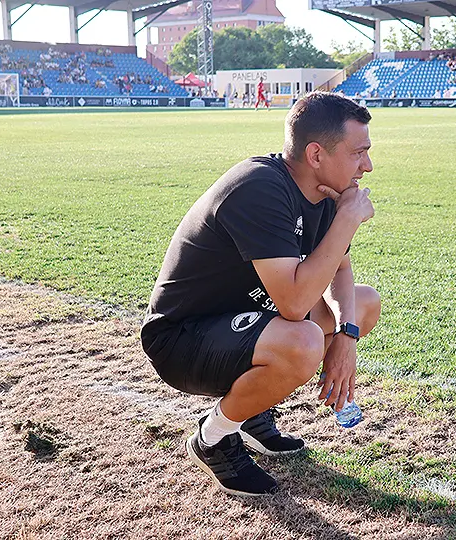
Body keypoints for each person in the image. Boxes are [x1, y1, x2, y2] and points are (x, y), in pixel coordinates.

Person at [141, 92, 380, 496]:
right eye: (359, 153)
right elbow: (295, 303)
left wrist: (348, 335)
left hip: (246, 321)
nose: (368, 166)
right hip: (183, 338)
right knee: (301, 340)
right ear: (317, 154)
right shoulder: (260, 188)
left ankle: (250, 413)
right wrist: (349, 220)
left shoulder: (321, 192)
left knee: (364, 301)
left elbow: (340, 271)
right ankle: (213, 437)